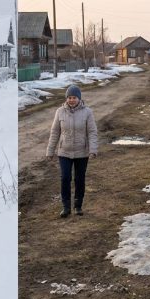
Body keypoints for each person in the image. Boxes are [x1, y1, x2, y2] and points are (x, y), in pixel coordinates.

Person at [46, 85, 98, 218]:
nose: (71, 100)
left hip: (82, 152)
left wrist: (93, 149)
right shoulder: (60, 112)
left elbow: (92, 132)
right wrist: (50, 151)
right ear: (66, 98)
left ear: (79, 98)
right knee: (65, 178)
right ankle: (66, 207)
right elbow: (55, 132)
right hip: (64, 152)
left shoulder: (87, 112)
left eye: (74, 97)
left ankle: (78, 206)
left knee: (79, 179)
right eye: (69, 97)